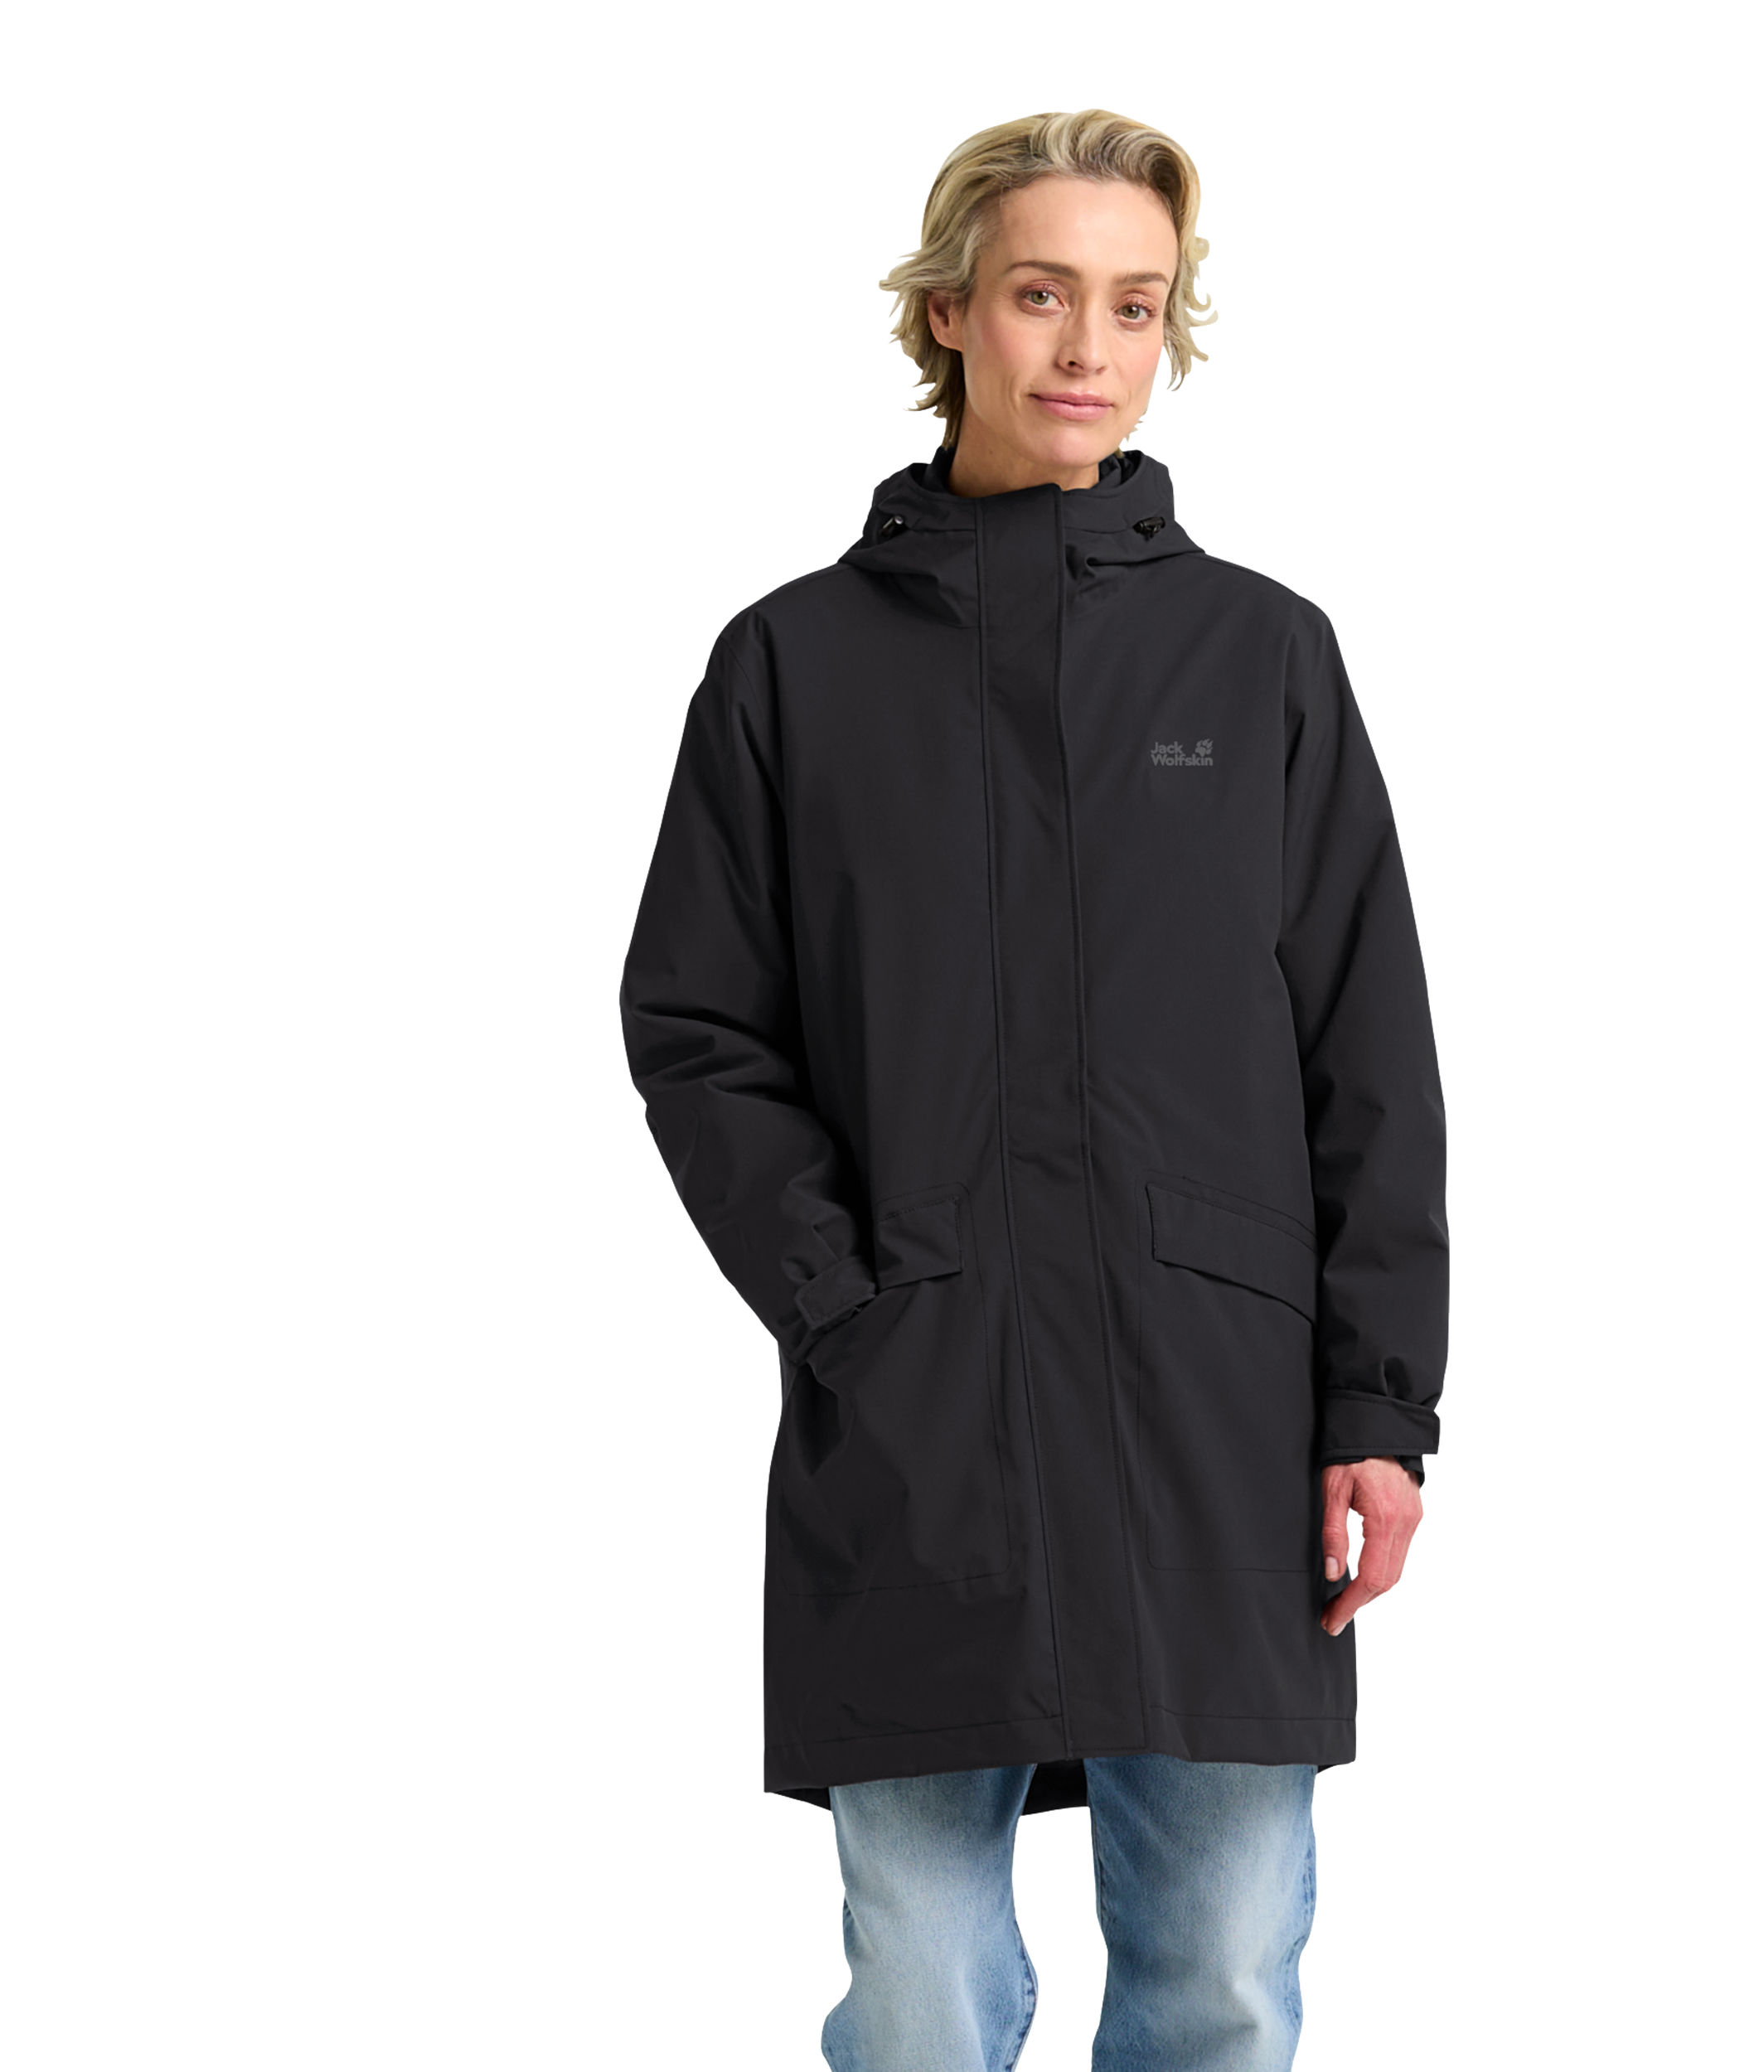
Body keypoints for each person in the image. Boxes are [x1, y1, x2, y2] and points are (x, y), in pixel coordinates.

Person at [620, 109, 1447, 2072]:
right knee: (918, 1993)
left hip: (1217, 1416)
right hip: (919, 1401)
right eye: (1040, 293)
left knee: (1218, 1982)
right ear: (948, 316)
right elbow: (702, 1029)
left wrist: (1377, 1412)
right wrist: (843, 1295)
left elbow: (1367, 1048)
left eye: (1134, 305)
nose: (1088, 345)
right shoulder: (795, 662)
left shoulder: (1251, 651)